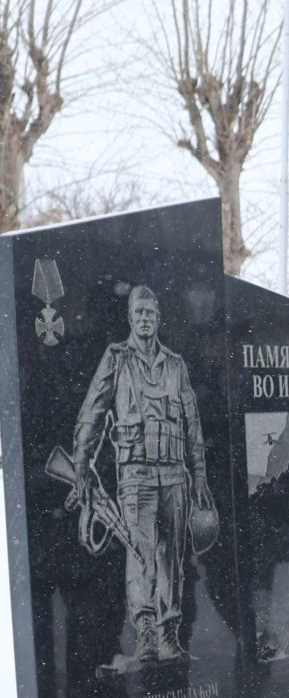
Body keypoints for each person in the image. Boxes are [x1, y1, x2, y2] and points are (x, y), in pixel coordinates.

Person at [68, 285, 215, 667]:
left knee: (173, 559)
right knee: (140, 554)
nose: (145, 318)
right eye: (139, 313)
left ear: (159, 318)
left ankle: (169, 633)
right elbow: (93, 412)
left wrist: (199, 475)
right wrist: (82, 465)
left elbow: (193, 425)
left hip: (174, 476)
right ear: (130, 318)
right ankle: (146, 631)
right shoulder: (116, 359)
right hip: (135, 476)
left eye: (151, 313)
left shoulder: (176, 365)